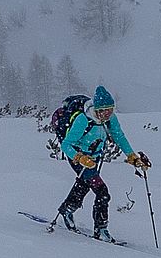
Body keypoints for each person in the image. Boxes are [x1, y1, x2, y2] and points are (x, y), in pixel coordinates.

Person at [57, 86, 147, 241]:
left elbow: (119, 137)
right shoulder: (83, 120)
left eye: (111, 109)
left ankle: (67, 210)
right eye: (105, 110)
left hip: (94, 158)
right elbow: (66, 145)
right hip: (79, 158)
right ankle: (101, 229)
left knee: (84, 184)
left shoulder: (110, 119)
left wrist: (132, 156)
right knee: (102, 192)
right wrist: (79, 157)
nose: (108, 113)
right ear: (97, 109)